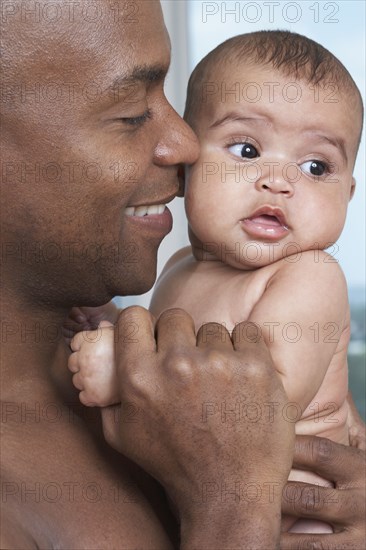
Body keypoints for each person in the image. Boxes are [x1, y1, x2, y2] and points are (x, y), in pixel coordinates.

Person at [1, 1, 364, 546]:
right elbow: (224, 430)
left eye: (316, 167)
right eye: (130, 113)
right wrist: (235, 514)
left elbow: (260, 408)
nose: (186, 144)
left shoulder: (308, 275)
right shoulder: (179, 269)